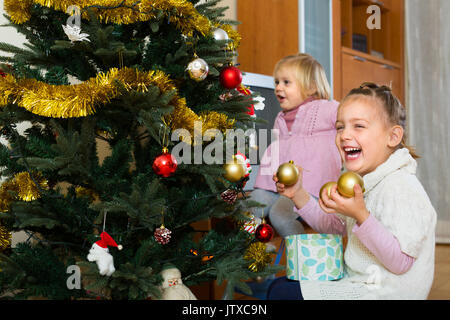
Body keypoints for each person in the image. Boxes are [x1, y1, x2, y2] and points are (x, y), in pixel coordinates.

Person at [268, 82, 437, 300]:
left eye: (358, 126)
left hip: (385, 292)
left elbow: (401, 262)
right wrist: (298, 194)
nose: (345, 135)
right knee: (279, 285)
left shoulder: (402, 187)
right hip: (360, 281)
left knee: (283, 294)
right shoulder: (363, 180)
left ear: (393, 137)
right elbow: (334, 225)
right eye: (340, 127)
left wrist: (361, 215)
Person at [250, 53, 341, 238]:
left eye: (286, 82)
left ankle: (300, 254)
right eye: (277, 82)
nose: (278, 87)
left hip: (309, 188)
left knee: (280, 215)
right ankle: (258, 254)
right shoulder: (280, 118)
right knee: (251, 208)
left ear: (311, 87)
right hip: (276, 185)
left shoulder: (325, 108)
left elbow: (348, 115)